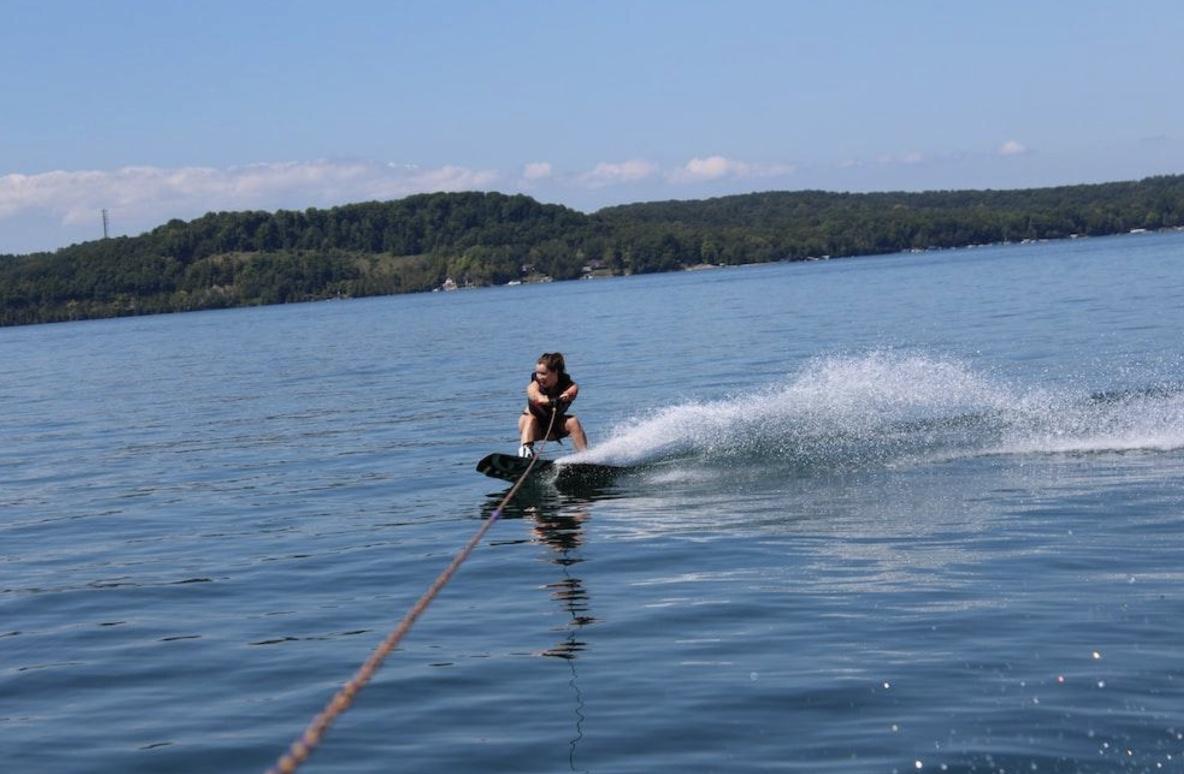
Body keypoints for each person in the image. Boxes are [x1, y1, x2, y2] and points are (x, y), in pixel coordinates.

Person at [518, 352, 588, 457]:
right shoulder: (535, 384)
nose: (539, 376)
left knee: (573, 421)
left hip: (552, 429)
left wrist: (567, 395)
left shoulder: (568, 385)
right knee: (530, 417)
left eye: (543, 373)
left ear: (555, 372)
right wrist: (542, 399)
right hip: (533, 429)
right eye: (537, 373)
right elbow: (532, 392)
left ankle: (585, 458)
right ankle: (526, 452)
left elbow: (574, 390)